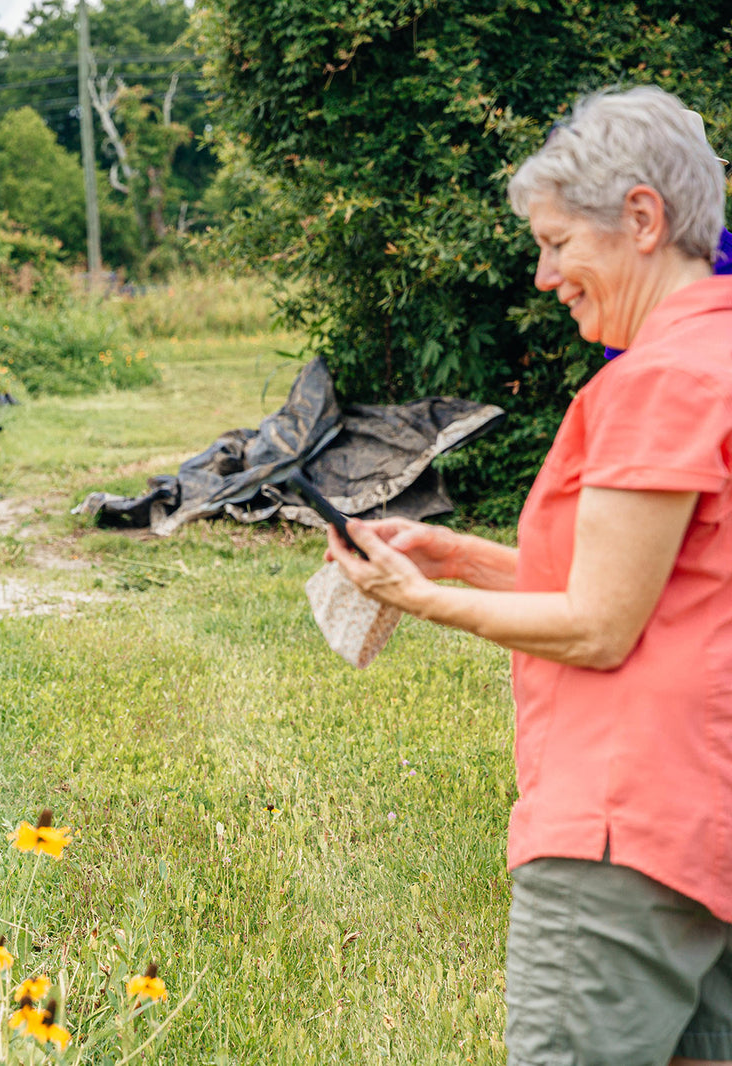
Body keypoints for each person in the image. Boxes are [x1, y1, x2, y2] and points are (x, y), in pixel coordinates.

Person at [327, 86, 732, 1064]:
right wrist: (461, 557)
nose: (545, 276)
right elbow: (666, 592)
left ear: (643, 218)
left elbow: (600, 626)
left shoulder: (658, 380)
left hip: (619, 826)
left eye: (557, 243)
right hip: (705, 819)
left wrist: (422, 599)